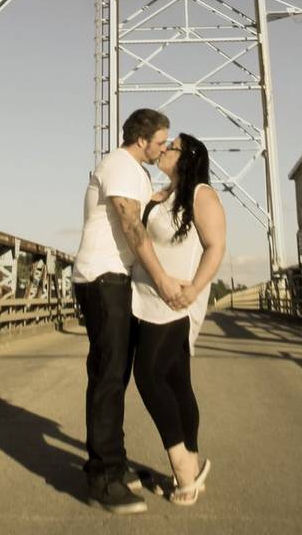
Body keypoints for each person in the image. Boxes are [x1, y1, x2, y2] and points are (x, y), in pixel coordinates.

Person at [72, 108, 188, 515]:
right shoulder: (120, 164)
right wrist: (162, 280)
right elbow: (129, 225)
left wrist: (158, 197)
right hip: (103, 278)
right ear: (142, 139)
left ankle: (113, 464)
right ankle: (102, 480)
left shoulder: (134, 172)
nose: (163, 147)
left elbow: (136, 213)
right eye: (161, 141)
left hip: (113, 278)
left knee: (115, 375)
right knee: (108, 377)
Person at [131, 133, 225, 506]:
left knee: (148, 374)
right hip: (144, 295)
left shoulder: (201, 195)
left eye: (171, 146)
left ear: (187, 157)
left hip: (176, 299)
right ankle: (190, 466)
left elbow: (216, 246)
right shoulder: (158, 196)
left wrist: (194, 290)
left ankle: (182, 464)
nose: (164, 148)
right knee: (177, 380)